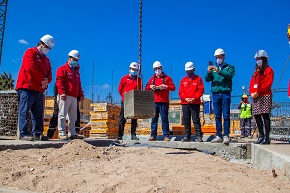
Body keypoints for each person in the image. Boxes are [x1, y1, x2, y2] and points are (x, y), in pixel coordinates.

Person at [16, 34, 54, 141]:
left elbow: (49, 73)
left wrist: (47, 81)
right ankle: (24, 133)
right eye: (46, 46)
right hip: (27, 87)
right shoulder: (30, 52)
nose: (47, 49)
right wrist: (42, 80)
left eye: (49, 48)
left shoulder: (46, 60)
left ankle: (38, 133)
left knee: (38, 113)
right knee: (24, 111)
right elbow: (30, 68)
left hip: (39, 89)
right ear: (41, 43)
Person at [205, 48, 235, 144]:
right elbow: (207, 79)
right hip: (215, 94)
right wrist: (209, 72)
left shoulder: (229, 67)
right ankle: (219, 135)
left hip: (225, 93)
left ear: (223, 56)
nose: (218, 59)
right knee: (217, 115)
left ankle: (226, 135)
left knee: (226, 115)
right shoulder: (214, 69)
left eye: (219, 57)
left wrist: (219, 72)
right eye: (216, 57)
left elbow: (229, 75)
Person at [56, 50, 84, 140]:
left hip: (74, 97)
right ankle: (62, 132)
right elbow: (59, 81)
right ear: (69, 58)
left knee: (73, 116)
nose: (75, 61)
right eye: (74, 59)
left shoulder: (76, 72)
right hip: (65, 95)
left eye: (76, 60)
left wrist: (81, 94)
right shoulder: (62, 69)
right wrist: (62, 92)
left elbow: (78, 84)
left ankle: (72, 133)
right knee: (63, 114)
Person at [145, 61, 176, 141]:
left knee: (164, 119)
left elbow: (173, 87)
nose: (157, 70)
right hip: (154, 101)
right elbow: (146, 87)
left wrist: (166, 86)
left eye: (158, 68)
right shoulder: (152, 78)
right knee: (154, 119)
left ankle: (166, 135)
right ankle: (153, 135)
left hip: (164, 101)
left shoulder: (167, 78)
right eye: (155, 69)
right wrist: (151, 87)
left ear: (161, 68)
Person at [249, 50, 274, 145]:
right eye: (257, 59)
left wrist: (258, 92)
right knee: (257, 116)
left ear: (264, 59)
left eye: (259, 59)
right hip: (255, 96)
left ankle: (267, 137)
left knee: (265, 115)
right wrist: (251, 92)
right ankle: (261, 135)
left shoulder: (269, 70)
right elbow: (252, 83)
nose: (258, 61)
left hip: (264, 95)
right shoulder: (256, 72)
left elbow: (268, 83)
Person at [178, 62, 204, 142]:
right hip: (185, 103)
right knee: (186, 120)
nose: (188, 72)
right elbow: (180, 92)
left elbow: (201, 90)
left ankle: (199, 136)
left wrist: (194, 98)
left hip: (195, 103)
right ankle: (187, 136)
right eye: (187, 71)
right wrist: (185, 98)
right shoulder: (183, 80)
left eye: (190, 70)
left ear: (193, 70)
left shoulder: (198, 79)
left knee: (196, 119)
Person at [117, 62, 142, 140]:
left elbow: (140, 90)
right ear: (129, 69)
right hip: (125, 101)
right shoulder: (124, 78)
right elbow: (120, 89)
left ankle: (133, 135)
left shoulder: (139, 80)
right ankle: (120, 135)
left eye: (135, 69)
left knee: (134, 118)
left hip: (134, 101)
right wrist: (124, 97)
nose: (133, 71)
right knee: (123, 118)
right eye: (132, 69)